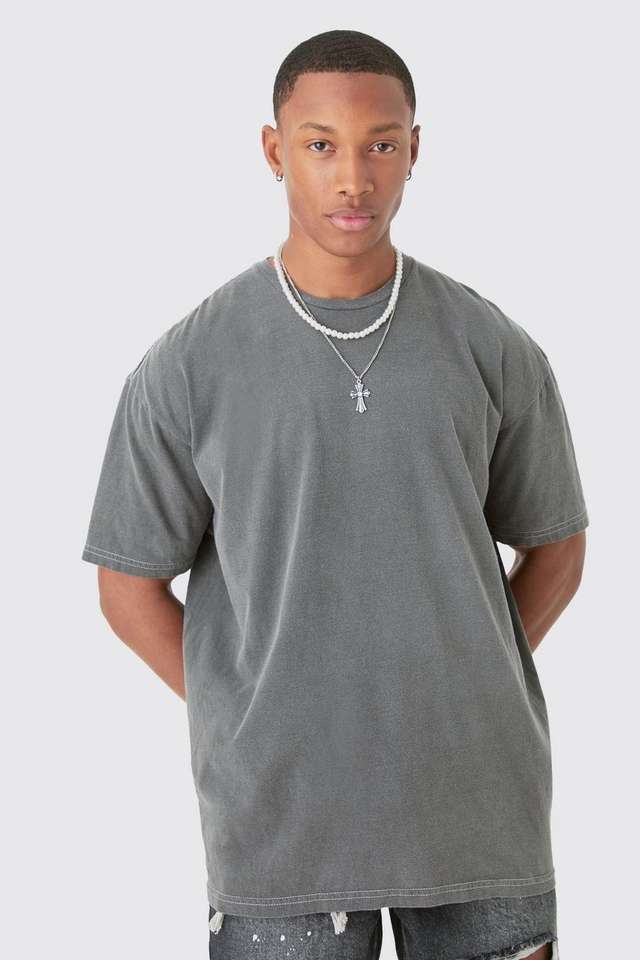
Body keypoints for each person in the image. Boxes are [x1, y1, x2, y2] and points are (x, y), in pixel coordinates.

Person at [81, 29, 588, 960]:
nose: (353, 177)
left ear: (413, 151)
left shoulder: (492, 347)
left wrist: (464, 674)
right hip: (283, 832)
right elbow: (126, 585)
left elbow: (557, 543)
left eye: (380, 144)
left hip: (480, 817)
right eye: (321, 145)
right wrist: (250, 710)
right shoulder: (191, 363)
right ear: (274, 150)